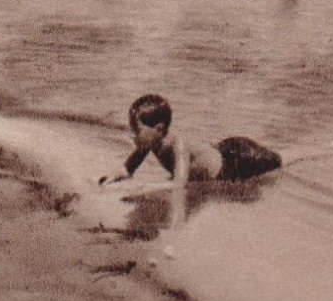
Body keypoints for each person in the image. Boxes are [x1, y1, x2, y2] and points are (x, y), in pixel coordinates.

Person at [98, 96, 283, 227]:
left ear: (159, 129)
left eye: (137, 129)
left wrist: (142, 188)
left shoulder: (179, 146)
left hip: (235, 163)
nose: (132, 134)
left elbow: (179, 184)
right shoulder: (149, 143)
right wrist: (112, 178)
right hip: (218, 151)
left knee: (277, 162)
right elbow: (127, 169)